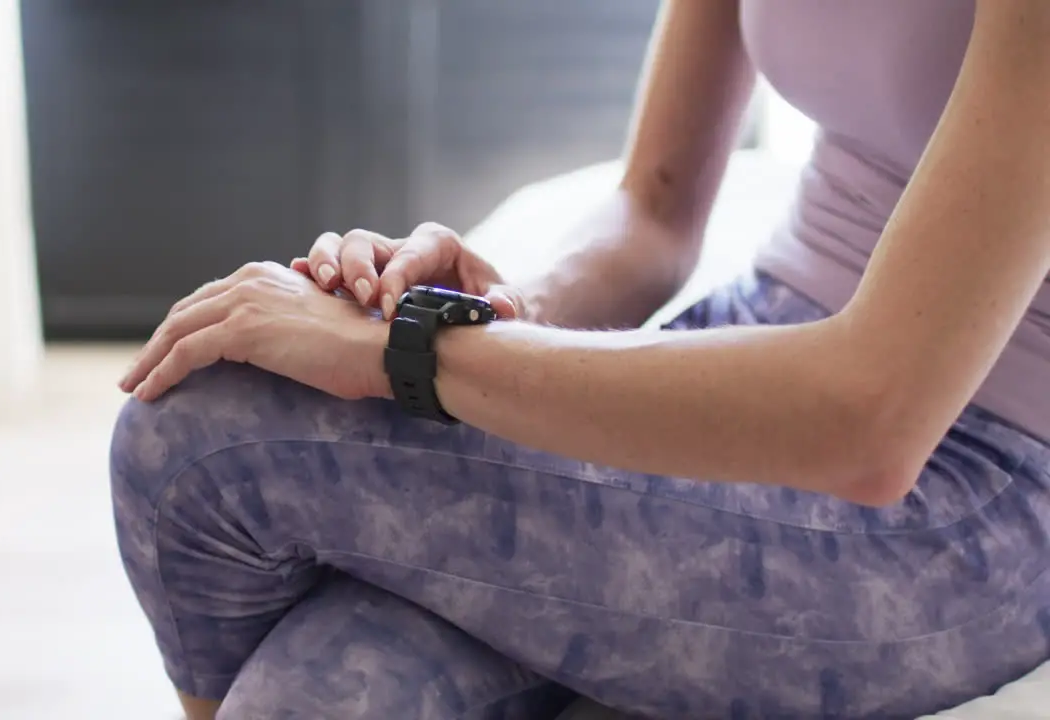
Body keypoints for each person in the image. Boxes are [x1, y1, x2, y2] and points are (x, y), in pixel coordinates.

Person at [109, 0, 1050, 717]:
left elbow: (870, 420)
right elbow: (652, 214)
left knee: (201, 430)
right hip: (756, 335)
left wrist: (415, 351)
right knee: (322, 696)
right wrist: (492, 304)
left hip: (979, 486)